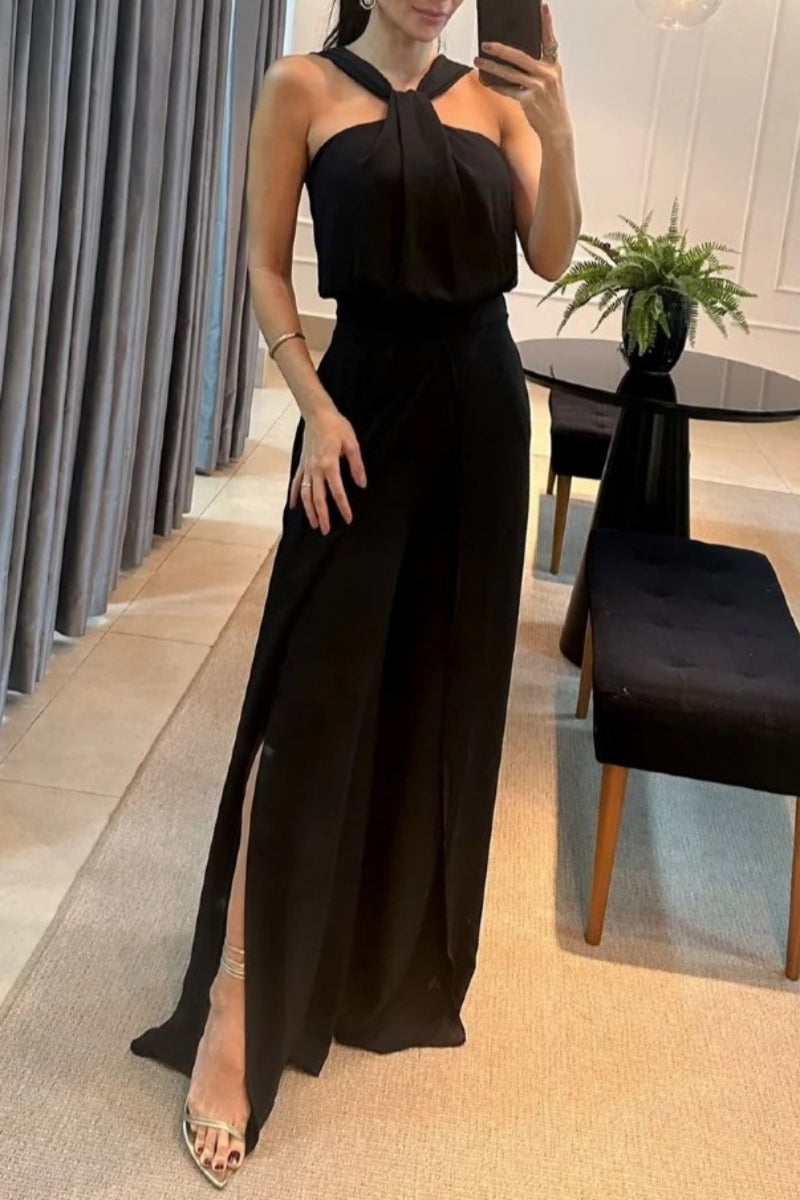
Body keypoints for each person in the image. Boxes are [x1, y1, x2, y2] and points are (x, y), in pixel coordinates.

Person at [131, 0, 581, 1187]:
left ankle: (375, 953)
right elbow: (265, 266)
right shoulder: (300, 88)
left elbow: (548, 255)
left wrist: (557, 124)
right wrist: (313, 407)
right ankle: (236, 1002)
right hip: (356, 420)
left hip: (481, 423)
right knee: (306, 703)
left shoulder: (500, 98)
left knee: (437, 689)